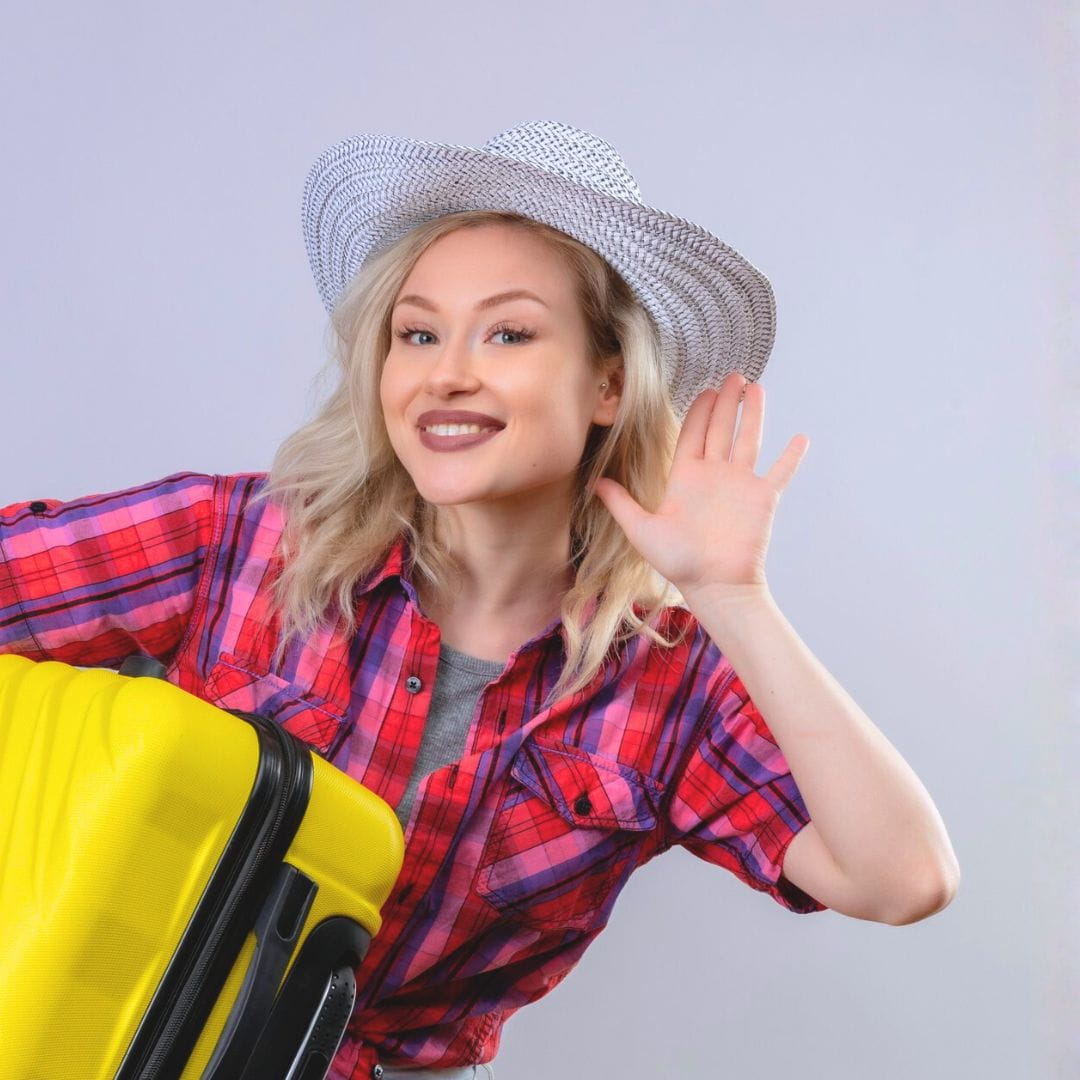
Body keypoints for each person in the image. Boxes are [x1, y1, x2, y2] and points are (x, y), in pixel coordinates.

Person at [0, 121, 960, 1080]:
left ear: (608, 386)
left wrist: (732, 595)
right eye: (417, 333)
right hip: (92, 1043)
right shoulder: (243, 541)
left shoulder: (665, 685)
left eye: (508, 332)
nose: (446, 371)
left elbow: (902, 879)